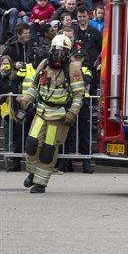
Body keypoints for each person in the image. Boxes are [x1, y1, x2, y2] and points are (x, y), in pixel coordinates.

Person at [18, 33, 83, 192]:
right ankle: (32, 173)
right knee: (32, 144)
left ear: (68, 54)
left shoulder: (73, 69)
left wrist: (72, 113)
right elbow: (35, 86)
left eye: (63, 52)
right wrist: (26, 99)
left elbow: (78, 94)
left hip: (59, 116)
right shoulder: (44, 64)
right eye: (56, 51)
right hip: (41, 112)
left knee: (48, 150)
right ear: (51, 49)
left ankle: (40, 183)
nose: (58, 55)